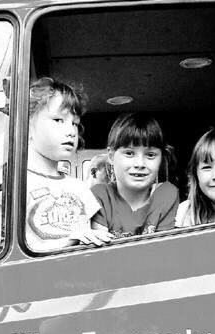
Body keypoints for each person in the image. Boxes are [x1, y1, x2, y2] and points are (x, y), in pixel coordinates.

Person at [25, 77, 112, 251]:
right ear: (27, 125)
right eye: (58, 120)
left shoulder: (80, 188)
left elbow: (97, 242)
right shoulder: (14, 185)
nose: (71, 131)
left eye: (75, 123)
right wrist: (69, 241)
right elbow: (2, 250)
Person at [91, 112, 179, 238]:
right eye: (129, 153)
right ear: (111, 156)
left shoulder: (166, 194)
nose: (140, 164)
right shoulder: (100, 196)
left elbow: (162, 246)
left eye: (150, 155)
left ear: (161, 159)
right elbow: (103, 248)